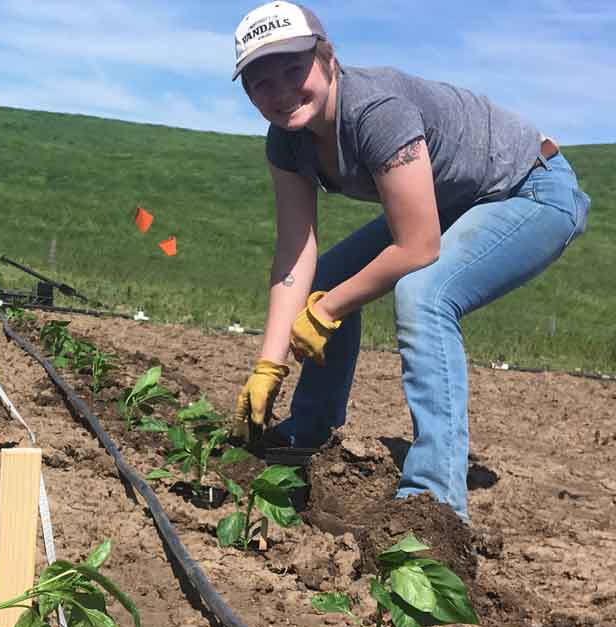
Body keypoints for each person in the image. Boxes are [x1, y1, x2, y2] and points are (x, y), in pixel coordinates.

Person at [228, 1, 591, 521]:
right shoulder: (286, 141)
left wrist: (327, 310)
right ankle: (305, 434)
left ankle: (434, 501)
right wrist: (269, 362)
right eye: (261, 83)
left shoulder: (376, 112)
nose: (281, 91)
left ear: (328, 58)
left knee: (425, 293)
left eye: (293, 69)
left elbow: (419, 246)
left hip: (530, 189)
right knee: (330, 276)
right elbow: (295, 251)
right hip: (454, 201)